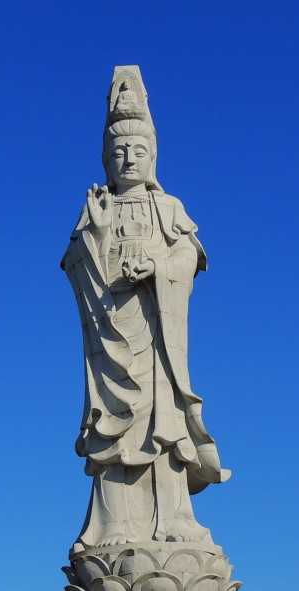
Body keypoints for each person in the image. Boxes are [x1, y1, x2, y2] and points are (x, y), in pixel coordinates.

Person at [62, 66, 230, 552]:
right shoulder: (97, 208)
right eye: (118, 153)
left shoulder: (168, 207)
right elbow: (73, 264)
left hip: (156, 335)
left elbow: (190, 255)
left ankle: (174, 519)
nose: (128, 160)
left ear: (153, 155)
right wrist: (91, 234)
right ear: (104, 160)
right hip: (112, 337)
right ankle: (114, 525)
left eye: (138, 151)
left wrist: (157, 265)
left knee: (163, 427)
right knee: (115, 429)